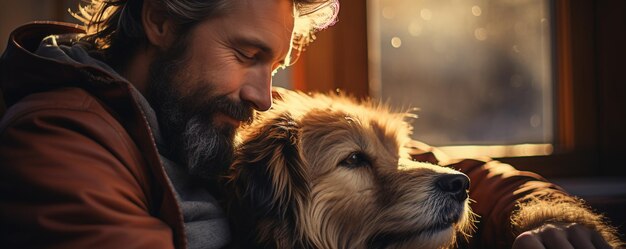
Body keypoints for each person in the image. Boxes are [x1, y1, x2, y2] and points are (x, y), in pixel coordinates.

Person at [0, 0, 621, 248]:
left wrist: (550, 219)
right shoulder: (59, 138)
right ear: (161, 21)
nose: (262, 94)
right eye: (245, 55)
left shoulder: (209, 115)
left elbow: (450, 174)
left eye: (274, 64)